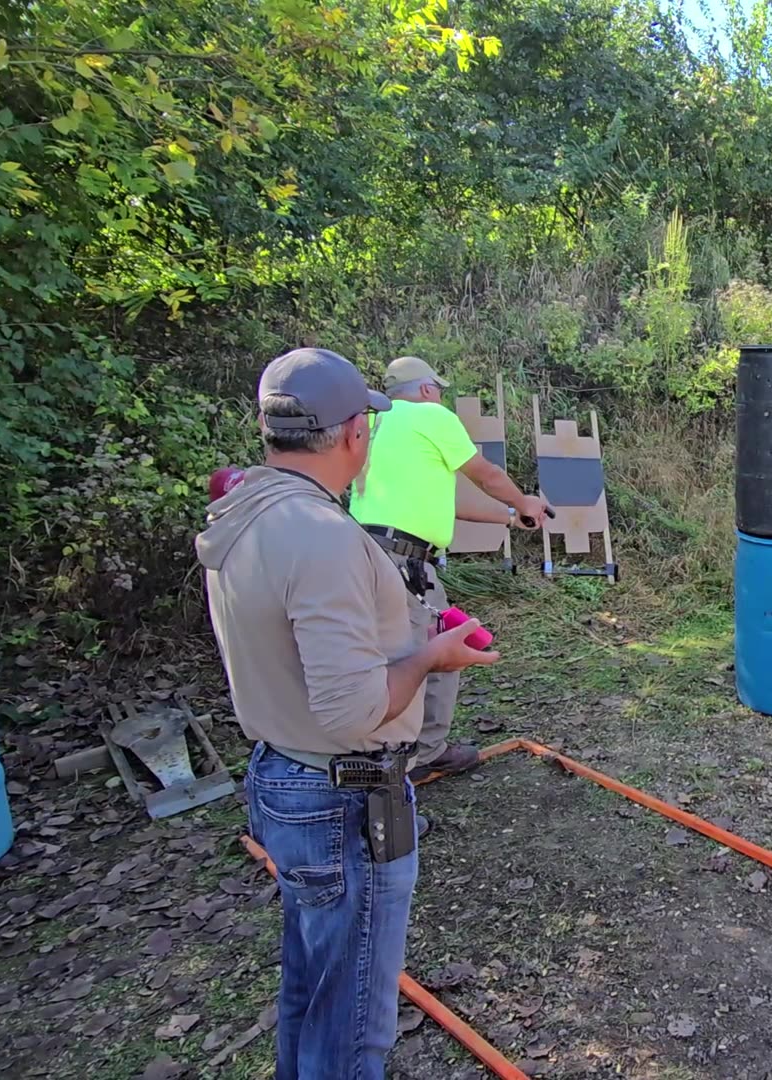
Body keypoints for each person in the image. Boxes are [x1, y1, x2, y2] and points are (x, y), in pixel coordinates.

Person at [196, 347, 500, 1080]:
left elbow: (306, 646)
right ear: (353, 435)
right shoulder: (324, 538)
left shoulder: (245, 505)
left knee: (315, 986)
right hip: (344, 795)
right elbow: (355, 708)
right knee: (357, 1018)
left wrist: (409, 636)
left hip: (285, 775)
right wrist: (431, 660)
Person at [350, 355, 549, 779]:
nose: (439, 395)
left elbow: (448, 500)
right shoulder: (430, 416)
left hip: (360, 550)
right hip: (404, 561)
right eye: (437, 388)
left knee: (379, 654)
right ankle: (422, 752)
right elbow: (486, 474)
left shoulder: (374, 424)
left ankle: (380, 748)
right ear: (425, 390)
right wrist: (524, 501)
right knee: (441, 648)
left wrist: (510, 518)